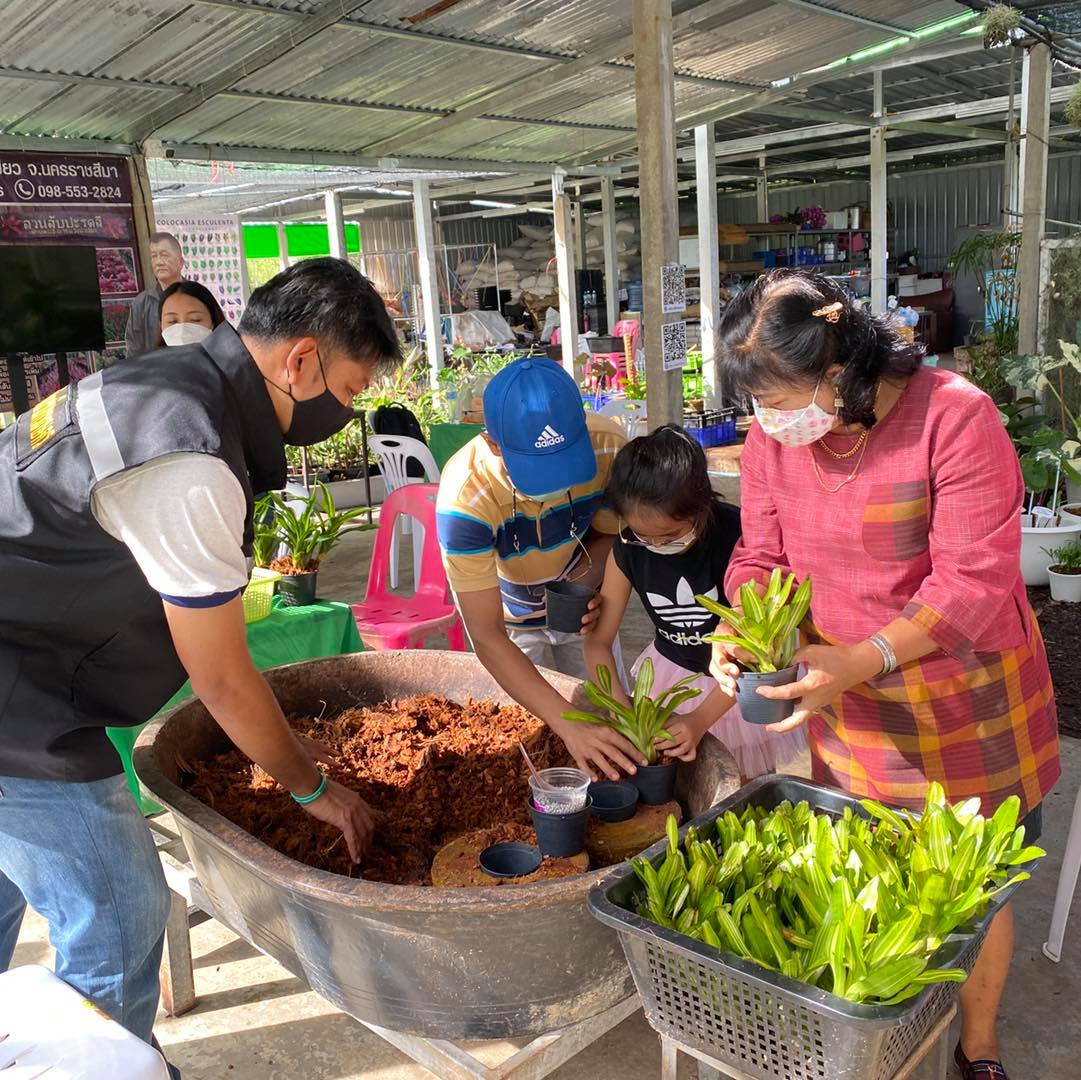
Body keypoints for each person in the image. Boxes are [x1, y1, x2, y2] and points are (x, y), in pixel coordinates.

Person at [0, 257, 400, 1058]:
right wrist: (309, 785)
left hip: (24, 650)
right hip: (17, 699)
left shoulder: (166, 383)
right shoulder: (186, 453)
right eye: (351, 391)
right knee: (117, 915)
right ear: (300, 361)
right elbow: (219, 675)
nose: (346, 412)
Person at [710, 268, 1059, 1080]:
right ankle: (882, 1025)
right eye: (755, 404)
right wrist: (743, 630)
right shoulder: (773, 438)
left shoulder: (952, 416)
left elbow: (971, 581)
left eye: (779, 397)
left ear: (839, 370)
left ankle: (977, 1044)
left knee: (973, 884)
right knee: (871, 871)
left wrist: (861, 659)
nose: (766, 421)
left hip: (962, 696)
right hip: (849, 701)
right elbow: (758, 554)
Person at [436, 357, 638, 780]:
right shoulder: (464, 498)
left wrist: (582, 584)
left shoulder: (608, 446)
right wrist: (565, 722)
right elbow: (487, 636)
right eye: (537, 470)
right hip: (512, 624)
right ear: (493, 444)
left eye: (567, 463)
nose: (557, 484)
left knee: (611, 728)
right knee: (536, 737)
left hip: (584, 612)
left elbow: (612, 536)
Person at [584, 424, 805, 777]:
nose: (656, 546)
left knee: (744, 782)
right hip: (671, 678)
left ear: (701, 507)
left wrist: (701, 719)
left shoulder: (738, 539)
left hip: (734, 685)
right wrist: (621, 711)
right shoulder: (627, 550)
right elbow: (598, 643)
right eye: (643, 536)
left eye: (669, 536)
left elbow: (755, 648)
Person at [124, 231, 185, 359]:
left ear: (180, 262)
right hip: (154, 374)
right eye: (154, 256)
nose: (159, 262)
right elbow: (134, 349)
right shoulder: (142, 302)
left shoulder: (198, 297)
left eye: (164, 255)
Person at [157, 280, 226, 347]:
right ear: (161, 325)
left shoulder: (233, 357)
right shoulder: (150, 358)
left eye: (195, 319)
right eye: (172, 321)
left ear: (213, 321)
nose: (182, 330)